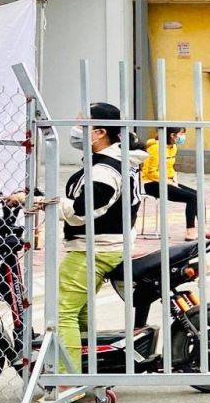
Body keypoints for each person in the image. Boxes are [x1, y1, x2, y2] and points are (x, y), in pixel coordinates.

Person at [58, 103, 143, 371]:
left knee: (61, 313)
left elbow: (84, 210)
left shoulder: (105, 169)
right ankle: (87, 368)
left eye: (82, 123)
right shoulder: (117, 162)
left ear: (100, 132)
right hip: (108, 245)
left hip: (94, 249)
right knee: (79, 311)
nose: (74, 128)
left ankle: (67, 381)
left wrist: (47, 203)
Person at [142, 126, 199, 239]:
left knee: (197, 194)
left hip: (167, 181)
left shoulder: (173, 147)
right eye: (181, 134)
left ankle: (202, 229)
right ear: (172, 135)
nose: (183, 137)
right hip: (151, 183)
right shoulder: (156, 148)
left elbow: (170, 167)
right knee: (192, 198)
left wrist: (174, 179)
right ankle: (190, 232)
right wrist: (168, 181)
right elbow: (150, 172)